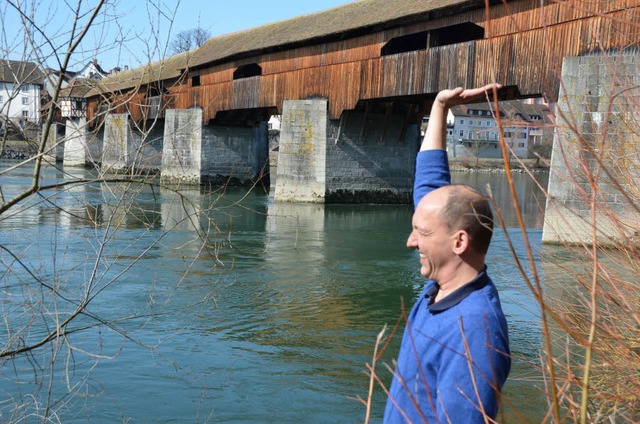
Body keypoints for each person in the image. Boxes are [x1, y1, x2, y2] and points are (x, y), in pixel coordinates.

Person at [383, 84, 511, 423]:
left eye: (421, 234)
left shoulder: (474, 329)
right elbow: (430, 189)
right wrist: (440, 107)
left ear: (459, 242)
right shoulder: (446, 283)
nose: (410, 242)